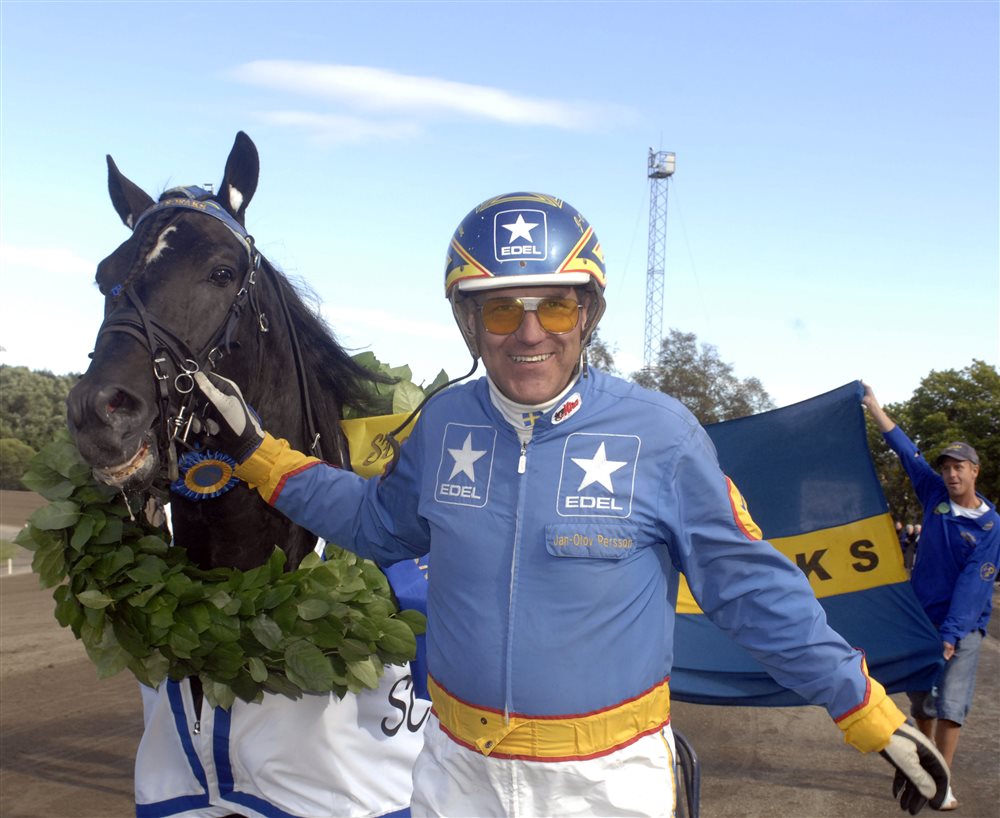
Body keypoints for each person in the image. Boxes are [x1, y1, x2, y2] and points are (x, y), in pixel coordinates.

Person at [194, 193, 949, 816]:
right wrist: (261, 455)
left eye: (553, 306)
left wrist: (869, 714)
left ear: (587, 313)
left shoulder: (662, 434)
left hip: (606, 787)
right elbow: (375, 523)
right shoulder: (443, 424)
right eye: (498, 311)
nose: (529, 334)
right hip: (455, 776)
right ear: (467, 322)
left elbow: (748, 587)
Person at [863, 384, 1000, 811]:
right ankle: (923, 762)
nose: (952, 475)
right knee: (921, 699)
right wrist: (874, 407)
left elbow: (973, 587)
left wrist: (952, 634)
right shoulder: (935, 498)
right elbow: (908, 454)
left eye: (960, 467)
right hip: (921, 620)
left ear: (975, 471)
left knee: (951, 707)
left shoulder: (990, 527)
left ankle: (941, 782)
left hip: (963, 627)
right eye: (947, 469)